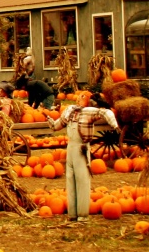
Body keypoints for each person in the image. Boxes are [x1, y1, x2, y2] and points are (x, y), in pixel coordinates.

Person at [50, 91, 118, 225]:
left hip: (82, 147)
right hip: (71, 148)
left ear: (88, 100)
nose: (79, 99)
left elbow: (106, 113)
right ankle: (72, 214)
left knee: (82, 181)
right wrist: (50, 121)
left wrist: (114, 125)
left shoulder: (90, 112)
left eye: (83, 97)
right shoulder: (69, 110)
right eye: (79, 96)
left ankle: (82, 215)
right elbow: (58, 125)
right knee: (70, 179)